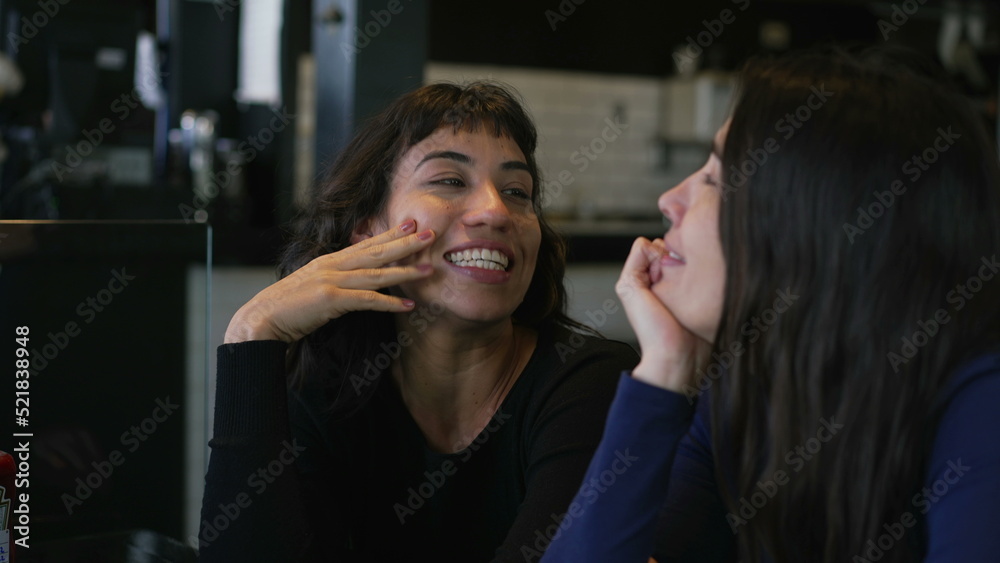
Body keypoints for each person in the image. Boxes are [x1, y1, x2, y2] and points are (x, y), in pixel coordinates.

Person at [542, 45, 1000, 562]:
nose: (669, 199)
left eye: (716, 179)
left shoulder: (980, 403)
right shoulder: (749, 385)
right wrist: (664, 370)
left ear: (814, 224)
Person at [196, 81, 638, 562]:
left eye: (517, 191)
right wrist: (252, 333)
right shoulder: (328, 386)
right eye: (449, 181)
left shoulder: (590, 383)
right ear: (368, 231)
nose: (495, 211)